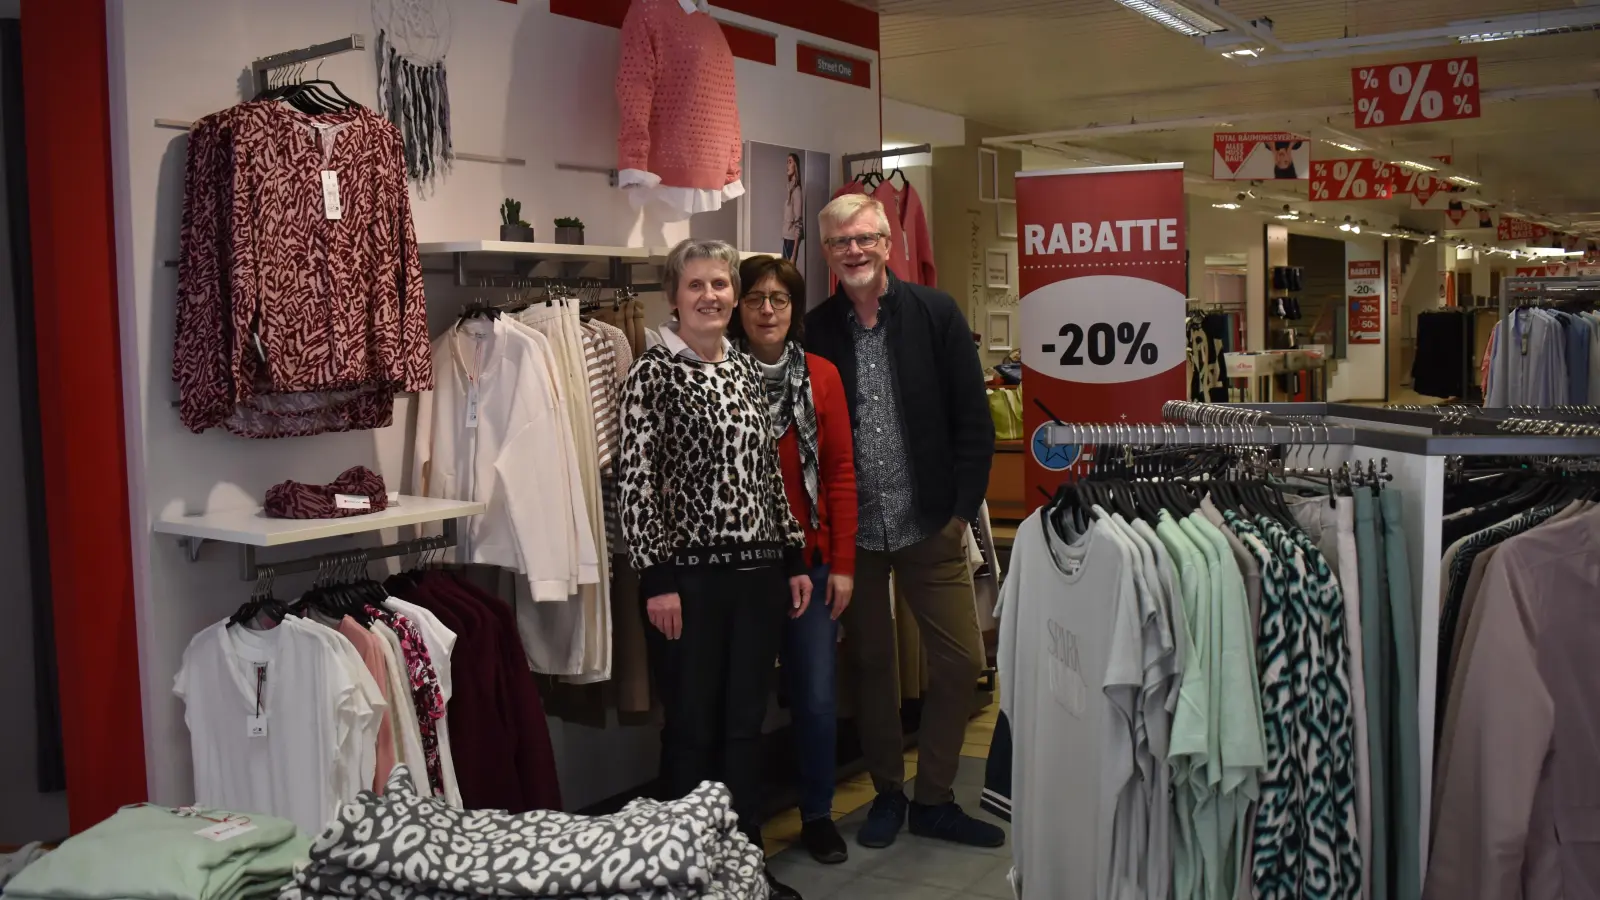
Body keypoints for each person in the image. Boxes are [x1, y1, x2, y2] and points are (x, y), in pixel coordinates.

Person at [804, 193, 1002, 850]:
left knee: (959, 661)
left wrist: (956, 517)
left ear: (888, 242)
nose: (853, 251)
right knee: (871, 664)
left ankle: (935, 796)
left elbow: (972, 424)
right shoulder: (817, 329)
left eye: (864, 238)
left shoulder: (936, 314)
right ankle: (888, 792)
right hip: (852, 532)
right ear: (826, 252)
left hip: (928, 523)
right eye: (839, 242)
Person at [617, 239, 812, 900]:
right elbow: (635, 484)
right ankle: (685, 871)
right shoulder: (652, 373)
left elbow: (766, 474)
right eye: (696, 285)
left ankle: (745, 864)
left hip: (757, 578)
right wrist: (657, 577)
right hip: (690, 584)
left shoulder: (742, 371)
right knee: (693, 730)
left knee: (742, 729)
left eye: (721, 285)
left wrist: (792, 555)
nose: (711, 297)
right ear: (673, 296)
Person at [729, 254, 858, 865]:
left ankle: (816, 814)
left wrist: (844, 564)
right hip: (744, 566)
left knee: (815, 695)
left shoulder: (823, 376)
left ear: (794, 308)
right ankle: (742, 825)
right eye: (755, 297)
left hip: (810, 559)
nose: (767, 310)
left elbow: (838, 473)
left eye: (779, 298)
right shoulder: (717, 376)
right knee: (743, 703)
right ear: (738, 307)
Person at [783, 152, 803, 263]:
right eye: (787, 162)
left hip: (791, 241)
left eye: (790, 162)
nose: (787, 165)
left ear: (796, 166)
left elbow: (798, 223)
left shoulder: (797, 191)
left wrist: (794, 255)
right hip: (786, 239)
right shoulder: (790, 190)